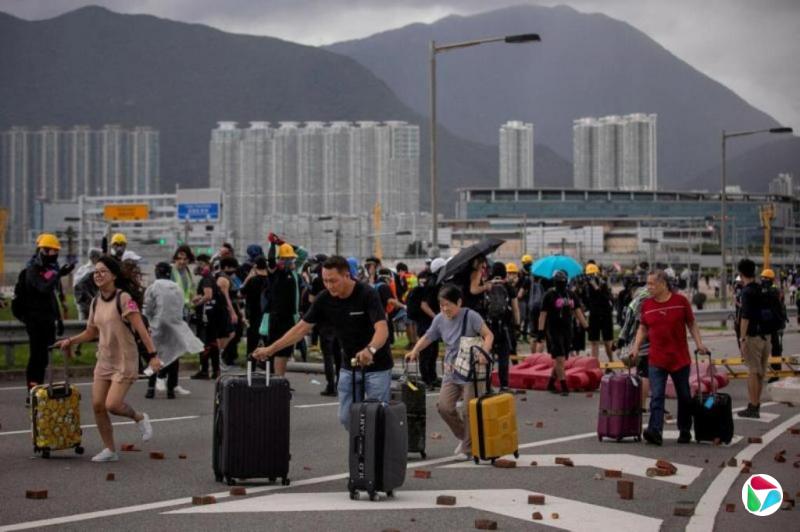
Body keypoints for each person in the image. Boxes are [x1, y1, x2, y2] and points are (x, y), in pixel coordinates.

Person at [253, 256, 390, 428]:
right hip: (349, 366)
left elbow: (382, 329)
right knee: (346, 418)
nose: (329, 285)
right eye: (325, 281)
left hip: (377, 365)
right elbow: (301, 329)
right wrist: (271, 349)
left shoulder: (367, 294)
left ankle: (377, 452)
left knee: (376, 417)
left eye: (333, 281)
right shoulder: (324, 298)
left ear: (347, 276)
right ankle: (362, 451)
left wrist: (370, 350)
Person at [56, 256, 160, 462]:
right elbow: (90, 332)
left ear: (113, 275)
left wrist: (153, 356)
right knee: (97, 405)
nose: (98, 275)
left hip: (125, 359)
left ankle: (139, 417)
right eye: (96, 272)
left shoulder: (123, 299)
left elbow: (141, 330)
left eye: (103, 271)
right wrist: (71, 340)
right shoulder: (95, 301)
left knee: (113, 404)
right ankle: (110, 450)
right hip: (104, 360)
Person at [405, 285, 494, 459]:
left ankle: (468, 449)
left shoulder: (471, 316)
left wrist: (485, 352)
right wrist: (415, 350)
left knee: (470, 410)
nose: (445, 309)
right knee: (444, 407)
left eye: (448, 305)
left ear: (459, 302)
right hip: (451, 371)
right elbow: (428, 336)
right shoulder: (439, 319)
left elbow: (489, 335)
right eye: (441, 305)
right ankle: (466, 437)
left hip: (472, 371)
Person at [630, 270, 709, 445]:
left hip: (679, 358)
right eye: (647, 284)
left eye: (651, 284)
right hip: (657, 359)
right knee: (657, 395)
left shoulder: (680, 302)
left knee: (684, 396)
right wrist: (635, 348)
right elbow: (642, 328)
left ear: (663, 284)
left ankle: (685, 430)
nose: (648, 287)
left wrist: (699, 343)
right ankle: (655, 431)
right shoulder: (647, 305)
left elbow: (691, 323)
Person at [16, 233, 75, 405]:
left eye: (55, 251)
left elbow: (51, 297)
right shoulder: (32, 270)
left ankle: (38, 390)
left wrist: (59, 319)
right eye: (49, 251)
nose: (53, 254)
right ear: (41, 250)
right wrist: (59, 275)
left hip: (47, 320)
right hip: (34, 321)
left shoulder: (51, 271)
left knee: (43, 358)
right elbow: (42, 288)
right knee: (36, 357)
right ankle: (31, 392)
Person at [143, 262, 203, 399]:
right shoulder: (177, 288)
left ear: (157, 272)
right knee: (173, 356)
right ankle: (170, 390)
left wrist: (149, 322)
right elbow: (181, 306)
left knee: (155, 356)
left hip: (157, 326)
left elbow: (148, 309)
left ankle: (151, 388)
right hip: (174, 326)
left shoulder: (153, 288)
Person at [261, 235, 308, 376]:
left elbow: (303, 253)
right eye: (285, 259)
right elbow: (270, 262)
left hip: (291, 316)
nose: (289, 261)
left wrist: (284, 243)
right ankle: (277, 380)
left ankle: (278, 380)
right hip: (277, 317)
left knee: (286, 350)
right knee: (279, 350)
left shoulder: (294, 272)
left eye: (291, 259)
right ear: (279, 260)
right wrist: (273, 245)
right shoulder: (276, 273)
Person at [537, 270, 588, 396]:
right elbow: (543, 315)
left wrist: (586, 326)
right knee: (559, 357)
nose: (561, 284)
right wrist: (540, 331)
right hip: (553, 330)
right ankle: (564, 385)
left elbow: (577, 311)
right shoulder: (549, 295)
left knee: (562, 358)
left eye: (563, 281)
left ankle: (550, 383)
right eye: (559, 282)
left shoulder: (571, 295)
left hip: (567, 330)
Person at [737, 260, 774, 419]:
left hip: (753, 337)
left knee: (752, 371)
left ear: (741, 273)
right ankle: (756, 404)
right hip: (767, 337)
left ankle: (752, 407)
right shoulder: (762, 289)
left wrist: (742, 338)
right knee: (760, 373)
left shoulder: (746, 292)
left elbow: (745, 318)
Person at [190, 254, 229, 379]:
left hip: (207, 315)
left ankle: (204, 370)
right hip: (214, 315)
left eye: (200, 263)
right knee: (212, 342)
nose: (198, 266)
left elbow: (208, 295)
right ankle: (215, 370)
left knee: (204, 342)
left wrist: (196, 303)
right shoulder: (211, 277)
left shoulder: (206, 278)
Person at [308, 254, 342, 396]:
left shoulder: (317, 280)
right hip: (339, 321)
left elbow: (311, 300)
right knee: (339, 355)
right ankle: (340, 384)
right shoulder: (338, 278)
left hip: (325, 323)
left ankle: (331, 386)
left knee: (328, 356)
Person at [484, 262, 519, 392]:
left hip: (488, 327)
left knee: (488, 356)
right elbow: (515, 309)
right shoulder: (509, 287)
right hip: (505, 326)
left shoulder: (487, 285)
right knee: (504, 357)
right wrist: (517, 324)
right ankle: (504, 386)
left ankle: (487, 386)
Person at [759, 268, 787, 384]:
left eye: (765, 278)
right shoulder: (765, 289)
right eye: (762, 278)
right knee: (765, 348)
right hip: (768, 323)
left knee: (776, 349)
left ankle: (776, 372)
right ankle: (770, 371)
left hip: (776, 324)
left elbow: (773, 299)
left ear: (770, 279)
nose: (763, 280)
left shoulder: (774, 290)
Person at [584, 264, 615, 363]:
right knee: (594, 341)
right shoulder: (587, 287)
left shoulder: (603, 284)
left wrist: (597, 287)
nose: (591, 277)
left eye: (593, 274)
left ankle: (611, 361)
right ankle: (594, 363)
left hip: (605, 314)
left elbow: (606, 299)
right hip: (594, 314)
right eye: (589, 275)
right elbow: (587, 300)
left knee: (607, 341)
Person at [241, 255, 270, 356]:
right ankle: (268, 363)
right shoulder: (270, 280)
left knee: (252, 341)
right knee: (267, 339)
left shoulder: (252, 280)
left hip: (253, 314)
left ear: (255, 266)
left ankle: (251, 364)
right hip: (267, 314)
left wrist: (249, 277)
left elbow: (241, 292)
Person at [218, 257, 244, 368]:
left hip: (232, 307)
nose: (234, 269)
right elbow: (226, 297)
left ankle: (225, 358)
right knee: (229, 334)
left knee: (234, 334)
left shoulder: (229, 278)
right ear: (226, 267)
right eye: (232, 267)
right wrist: (232, 312)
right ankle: (223, 357)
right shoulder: (223, 279)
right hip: (226, 308)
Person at [73, 248, 102, 320]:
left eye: (97, 256)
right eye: (94, 256)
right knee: (82, 325)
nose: (95, 258)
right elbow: (77, 287)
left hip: (97, 304)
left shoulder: (101, 269)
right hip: (83, 304)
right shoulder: (83, 269)